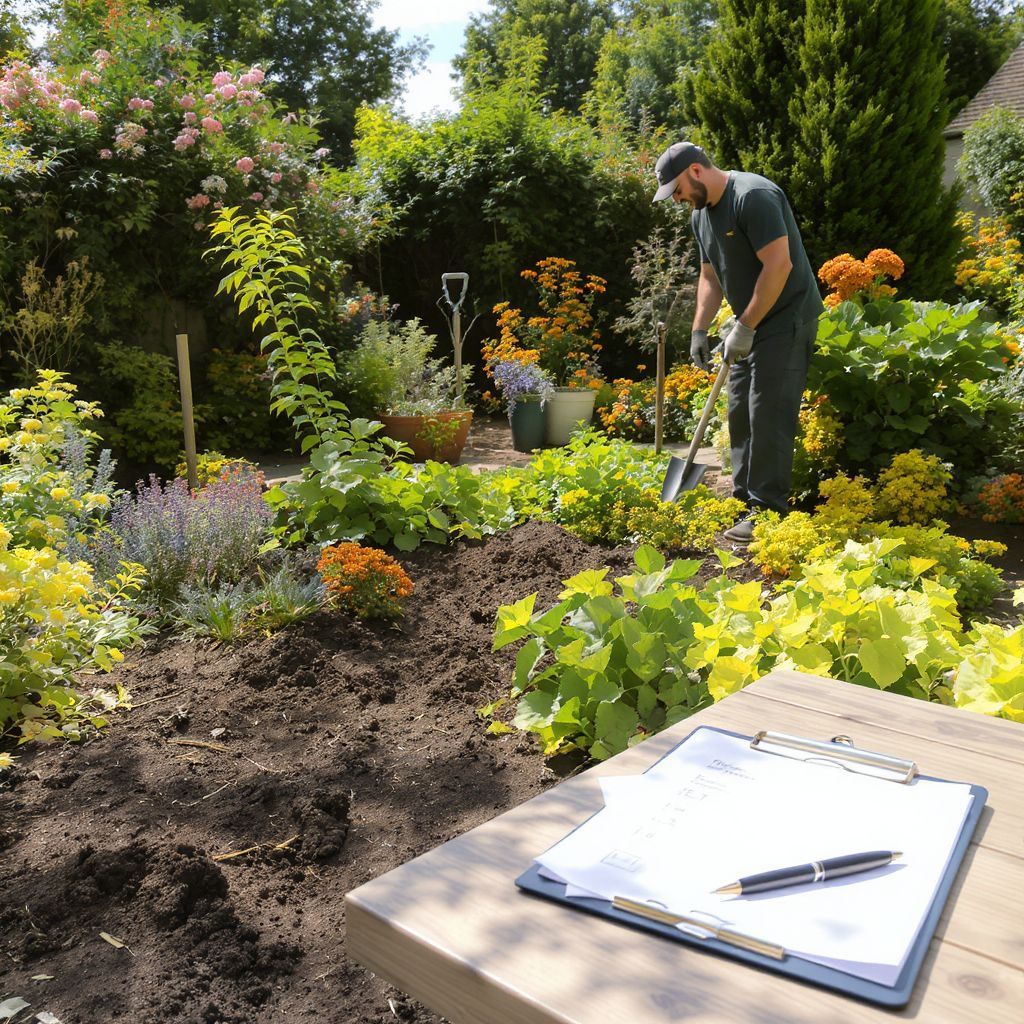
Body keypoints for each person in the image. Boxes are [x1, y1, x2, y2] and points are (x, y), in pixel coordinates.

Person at [652, 142, 824, 545]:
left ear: (695, 171)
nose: (676, 199)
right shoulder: (701, 217)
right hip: (747, 319)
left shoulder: (754, 196)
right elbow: (710, 277)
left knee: (768, 411)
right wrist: (699, 329)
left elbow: (778, 266)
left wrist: (745, 326)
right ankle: (744, 500)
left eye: (675, 189)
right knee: (739, 412)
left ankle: (768, 512)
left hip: (786, 318)